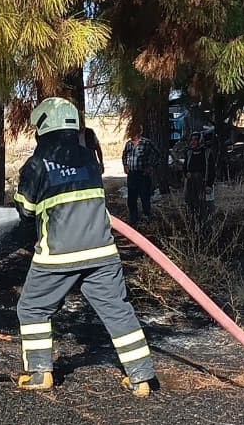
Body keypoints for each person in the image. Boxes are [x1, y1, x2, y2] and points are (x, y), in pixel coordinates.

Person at [14, 97, 157, 397]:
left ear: (43, 127)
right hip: (102, 252)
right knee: (117, 310)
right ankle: (142, 377)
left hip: (58, 255)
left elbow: (26, 211)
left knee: (33, 307)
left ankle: (40, 373)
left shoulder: (37, 164)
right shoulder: (89, 158)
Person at [122, 125, 161, 224]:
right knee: (131, 198)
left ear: (140, 132)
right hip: (132, 174)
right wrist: (125, 165)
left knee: (145, 196)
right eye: (131, 132)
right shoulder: (128, 144)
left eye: (134, 132)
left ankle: (147, 216)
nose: (132, 134)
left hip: (143, 174)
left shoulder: (146, 143)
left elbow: (157, 154)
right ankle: (133, 218)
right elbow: (124, 155)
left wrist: (151, 166)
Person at [184, 131, 216, 223]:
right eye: (192, 140)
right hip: (191, 185)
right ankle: (194, 225)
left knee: (205, 206)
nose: (193, 142)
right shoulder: (189, 153)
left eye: (195, 140)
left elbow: (212, 170)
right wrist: (186, 173)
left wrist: (209, 185)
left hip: (203, 183)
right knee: (191, 206)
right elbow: (185, 168)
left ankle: (206, 226)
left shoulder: (207, 153)